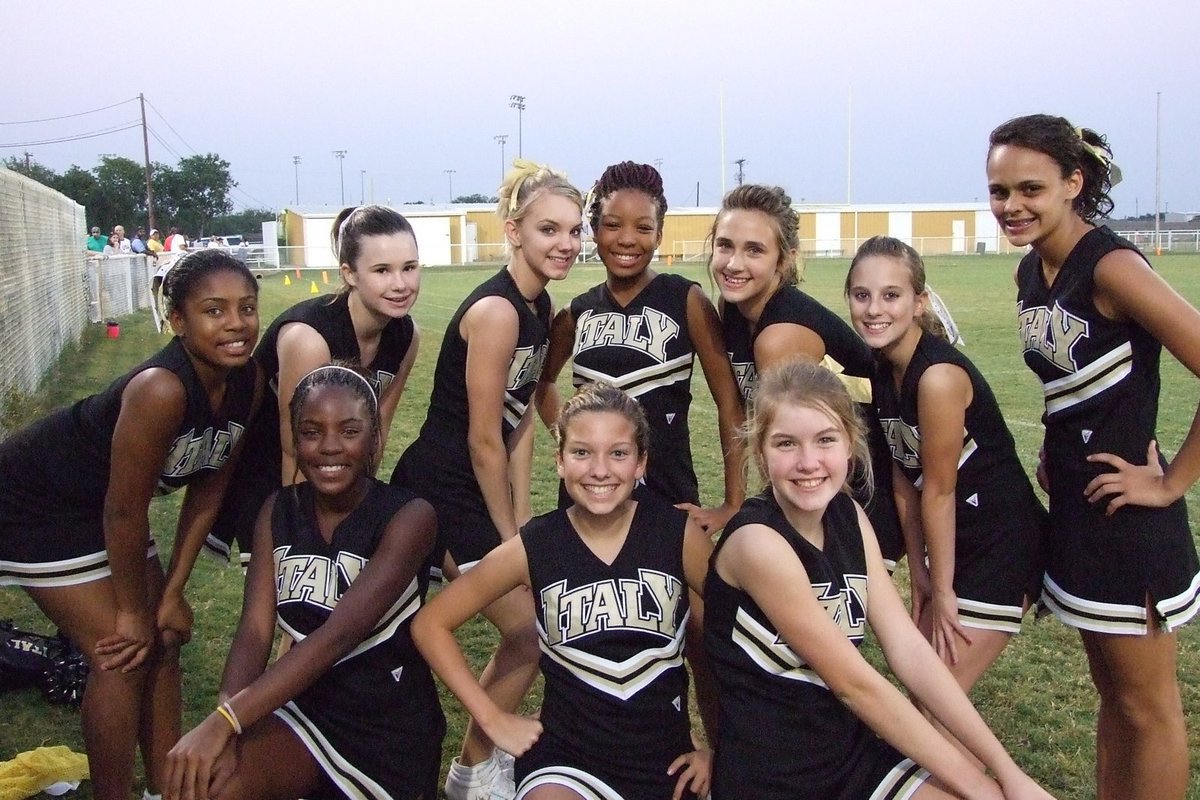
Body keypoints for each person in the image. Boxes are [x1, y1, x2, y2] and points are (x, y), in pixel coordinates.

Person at [703, 360, 1057, 800]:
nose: (808, 462)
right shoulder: (758, 544)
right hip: (776, 776)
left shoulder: (848, 516)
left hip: (849, 754)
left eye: (825, 440)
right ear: (761, 452)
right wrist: (982, 789)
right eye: (786, 444)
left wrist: (1008, 774)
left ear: (850, 445)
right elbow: (856, 686)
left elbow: (908, 649)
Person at [988, 113, 1200, 800]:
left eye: (1029, 189)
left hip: (1130, 520)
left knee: (1151, 707)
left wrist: (1171, 483)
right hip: (1077, 506)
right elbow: (1070, 383)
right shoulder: (1031, 270)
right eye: (998, 191)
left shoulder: (1111, 264)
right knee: (1111, 695)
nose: (1011, 206)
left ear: (1074, 183)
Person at [0, 249, 261, 800]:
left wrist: (170, 594)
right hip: (36, 504)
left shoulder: (247, 379)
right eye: (214, 311)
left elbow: (210, 485)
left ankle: (167, 789)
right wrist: (130, 608)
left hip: (101, 508)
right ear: (177, 321)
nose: (236, 324)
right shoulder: (161, 389)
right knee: (121, 651)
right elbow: (124, 511)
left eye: (247, 307)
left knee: (163, 637)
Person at [414, 382, 713, 800]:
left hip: (665, 759)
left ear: (641, 463)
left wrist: (718, 747)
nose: (600, 470)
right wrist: (493, 718)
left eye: (619, 453)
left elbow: (734, 640)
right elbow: (431, 623)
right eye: (581, 452)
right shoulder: (536, 545)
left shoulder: (677, 535)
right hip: (567, 761)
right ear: (558, 461)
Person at [392, 159, 583, 800]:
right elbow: (480, 439)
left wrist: (521, 514)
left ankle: (472, 769)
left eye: (574, 231)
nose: (566, 243)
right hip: (440, 488)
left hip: (474, 488)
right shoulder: (499, 312)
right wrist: (514, 542)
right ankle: (470, 769)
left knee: (525, 635)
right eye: (549, 229)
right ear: (514, 231)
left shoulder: (540, 306)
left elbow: (519, 421)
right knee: (526, 632)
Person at [166, 365, 443, 800]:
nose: (330, 447)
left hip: (388, 725)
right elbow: (255, 631)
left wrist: (227, 722)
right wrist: (226, 722)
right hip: (304, 709)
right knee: (207, 784)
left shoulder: (409, 517)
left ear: (373, 438)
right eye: (312, 432)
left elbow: (338, 635)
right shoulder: (277, 511)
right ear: (294, 441)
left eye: (349, 431)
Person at [844, 235, 1045, 694]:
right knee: (924, 691)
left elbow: (938, 490)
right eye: (862, 295)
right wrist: (921, 575)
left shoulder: (937, 378)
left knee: (938, 700)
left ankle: (971, 771)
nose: (874, 308)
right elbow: (902, 473)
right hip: (956, 540)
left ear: (920, 302)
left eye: (891, 295)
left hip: (1001, 543)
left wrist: (946, 590)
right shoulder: (882, 367)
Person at [535, 161, 746, 534]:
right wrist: (574, 439)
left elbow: (729, 402)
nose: (627, 239)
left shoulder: (687, 299)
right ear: (595, 229)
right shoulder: (575, 313)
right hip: (588, 494)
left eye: (644, 227)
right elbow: (544, 384)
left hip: (667, 495)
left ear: (660, 234)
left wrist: (733, 503)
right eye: (613, 224)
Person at [207, 204, 421, 567]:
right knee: (292, 593)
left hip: (329, 471)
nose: (400, 284)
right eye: (382, 270)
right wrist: (301, 531)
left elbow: (376, 429)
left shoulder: (406, 335)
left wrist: (357, 504)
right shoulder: (309, 338)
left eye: (409, 268)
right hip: (266, 471)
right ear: (349, 273)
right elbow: (294, 447)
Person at [708, 184, 904, 569]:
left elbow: (787, 439)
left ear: (785, 259)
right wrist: (734, 503)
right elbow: (736, 410)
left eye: (754, 250)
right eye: (725, 245)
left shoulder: (780, 335)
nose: (733, 264)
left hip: (858, 488)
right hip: (818, 476)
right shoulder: (733, 309)